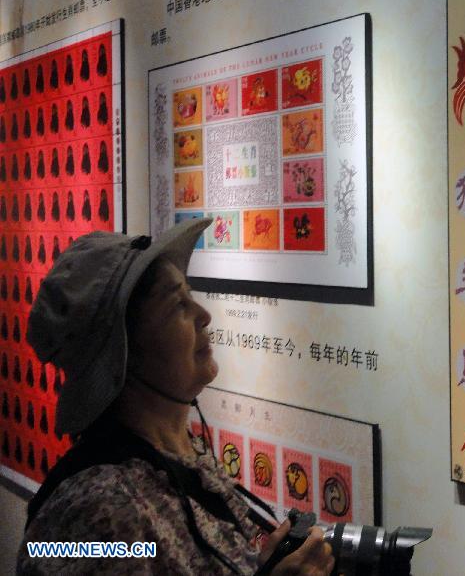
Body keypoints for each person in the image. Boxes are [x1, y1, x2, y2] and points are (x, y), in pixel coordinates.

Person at [17, 218, 334, 575]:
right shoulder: (96, 511)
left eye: (190, 296)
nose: (204, 315)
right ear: (123, 353)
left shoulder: (178, 459)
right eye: (177, 305)